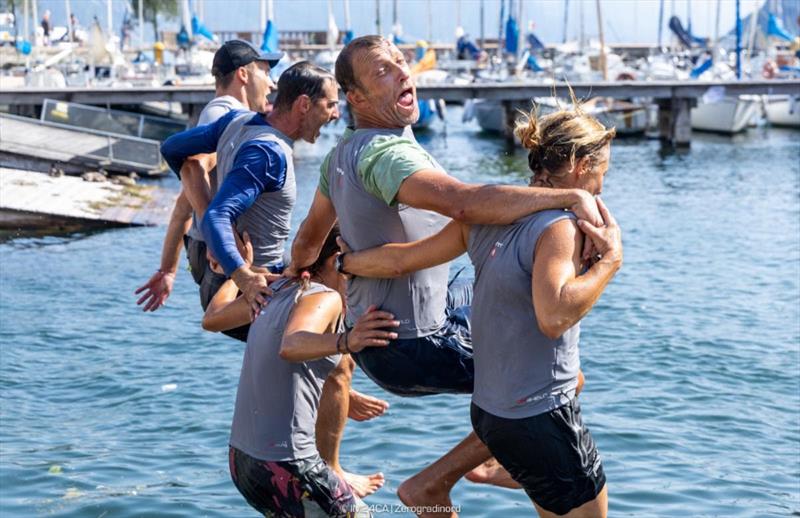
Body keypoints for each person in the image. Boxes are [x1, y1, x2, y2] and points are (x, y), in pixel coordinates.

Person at [287, 35, 604, 515]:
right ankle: (445, 479)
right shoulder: (388, 155)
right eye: (383, 71)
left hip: (383, 331)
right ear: (356, 98)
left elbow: (308, 246)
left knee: (480, 287)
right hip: (413, 341)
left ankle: (476, 466)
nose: (401, 71)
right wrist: (567, 199)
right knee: (556, 379)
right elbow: (464, 203)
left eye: (400, 61)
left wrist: (322, 271)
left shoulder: (340, 157)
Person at [338, 103, 622, 517]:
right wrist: (611, 262)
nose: (602, 183)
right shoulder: (560, 227)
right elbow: (554, 314)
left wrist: (346, 264)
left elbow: (406, 259)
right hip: (542, 416)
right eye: (603, 171)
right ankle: (431, 484)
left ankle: (433, 483)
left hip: (493, 416)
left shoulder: (491, 215)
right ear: (580, 165)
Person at [160, 60, 340, 340]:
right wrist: (243, 276)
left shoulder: (238, 121)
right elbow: (217, 216)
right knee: (333, 327)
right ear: (304, 104)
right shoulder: (268, 153)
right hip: (252, 292)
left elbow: (171, 148)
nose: (336, 114)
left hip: (234, 278)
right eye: (330, 105)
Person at [223, 227, 396, 517]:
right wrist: (347, 341)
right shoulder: (325, 297)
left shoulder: (275, 288)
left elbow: (212, 319)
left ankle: (334, 467)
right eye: (368, 263)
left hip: (243, 464)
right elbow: (291, 344)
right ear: (336, 259)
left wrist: (240, 272)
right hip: (289, 467)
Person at [135, 40, 282, 315]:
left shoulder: (230, 115)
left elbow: (184, 203)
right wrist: (219, 238)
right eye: (265, 72)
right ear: (243, 74)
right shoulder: (224, 113)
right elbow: (193, 168)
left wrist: (168, 269)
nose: (272, 84)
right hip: (219, 258)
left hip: (213, 253)